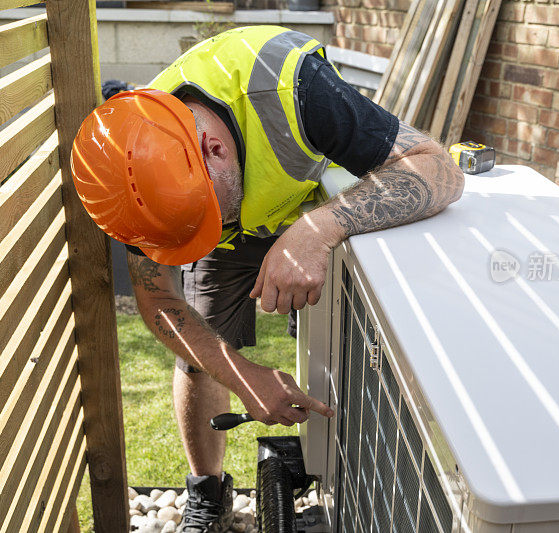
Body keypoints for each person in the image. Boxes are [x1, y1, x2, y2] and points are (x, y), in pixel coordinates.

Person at [71, 25, 464, 533]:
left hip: (315, 205)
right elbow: (157, 298)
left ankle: (341, 476)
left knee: (340, 345)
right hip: (236, 236)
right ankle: (206, 494)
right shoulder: (131, 173)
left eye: (203, 216)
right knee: (197, 362)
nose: (197, 234)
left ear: (212, 148)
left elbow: (438, 170)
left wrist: (315, 230)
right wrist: (241, 375)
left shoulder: (296, 90)